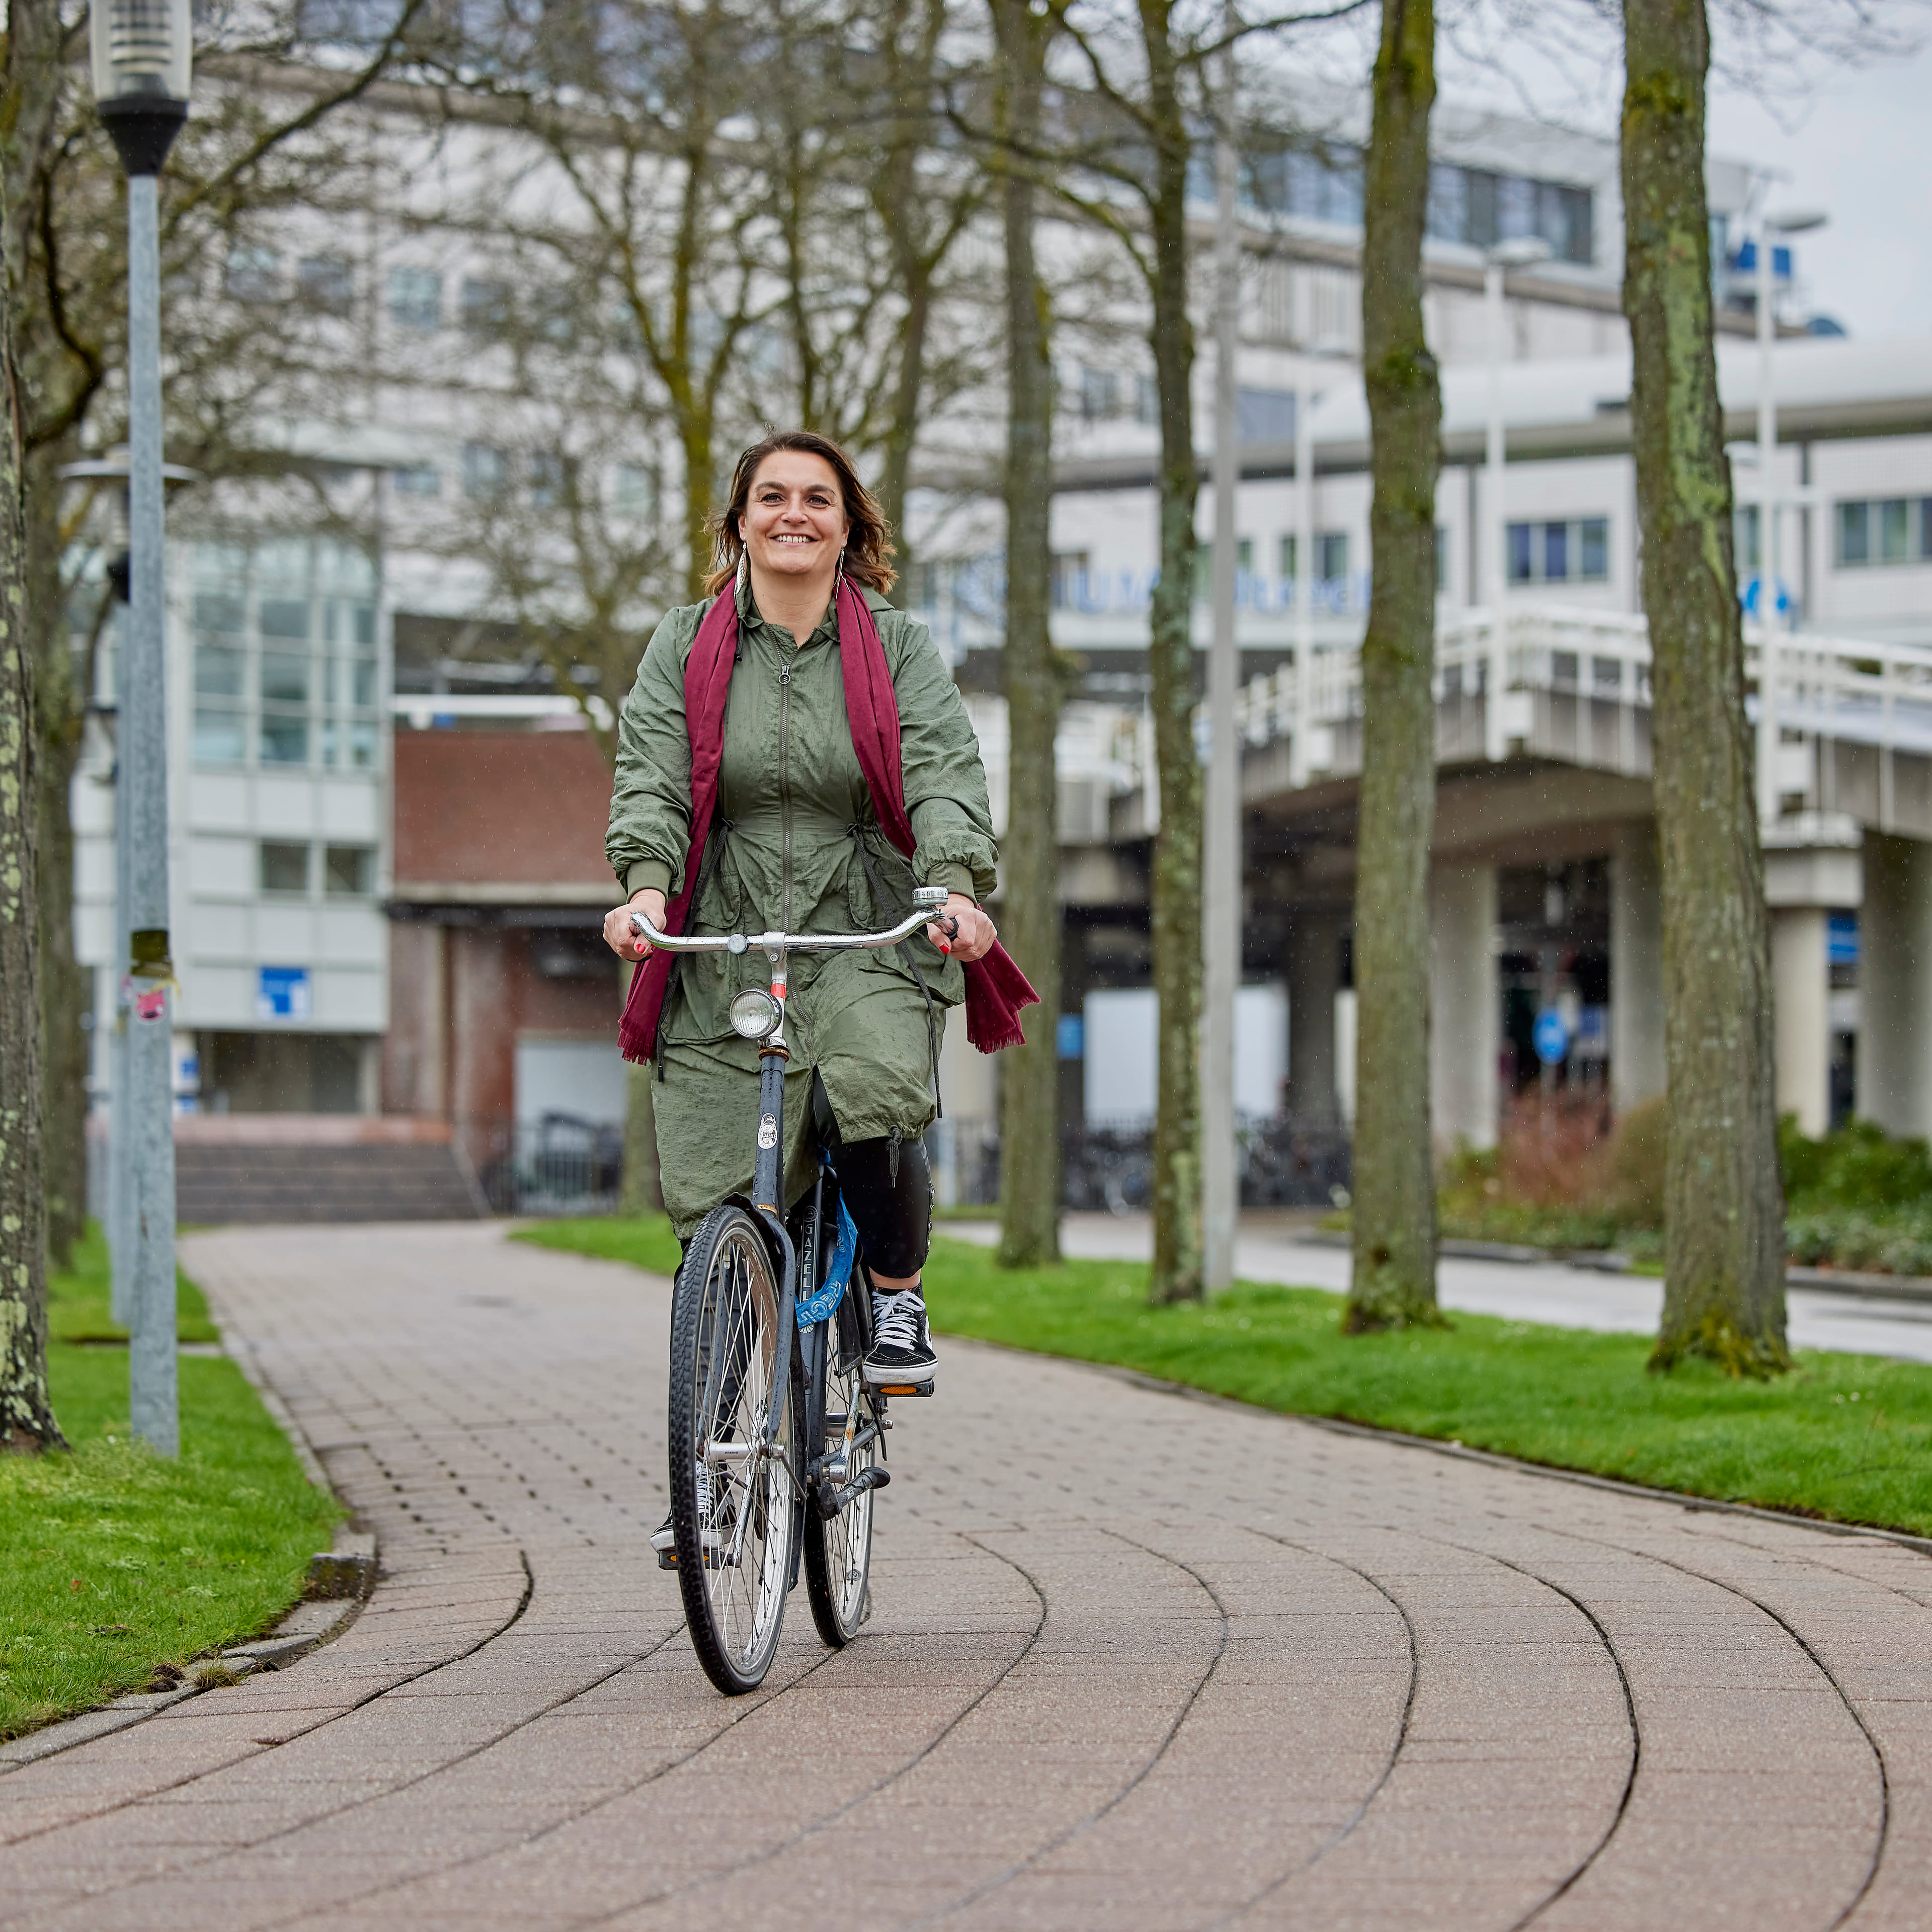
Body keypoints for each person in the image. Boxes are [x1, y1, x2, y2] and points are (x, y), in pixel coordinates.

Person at [602, 430, 1003, 1448]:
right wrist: (647, 896)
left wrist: (952, 891)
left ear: (847, 526)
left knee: (870, 1088)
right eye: (771, 497)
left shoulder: (896, 645)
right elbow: (651, 777)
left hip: (865, 917)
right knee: (719, 1193)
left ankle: (897, 1292)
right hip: (725, 923)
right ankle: (710, 1472)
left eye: (816, 499)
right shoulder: (686, 645)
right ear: (739, 521)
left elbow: (943, 769)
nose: (794, 514)